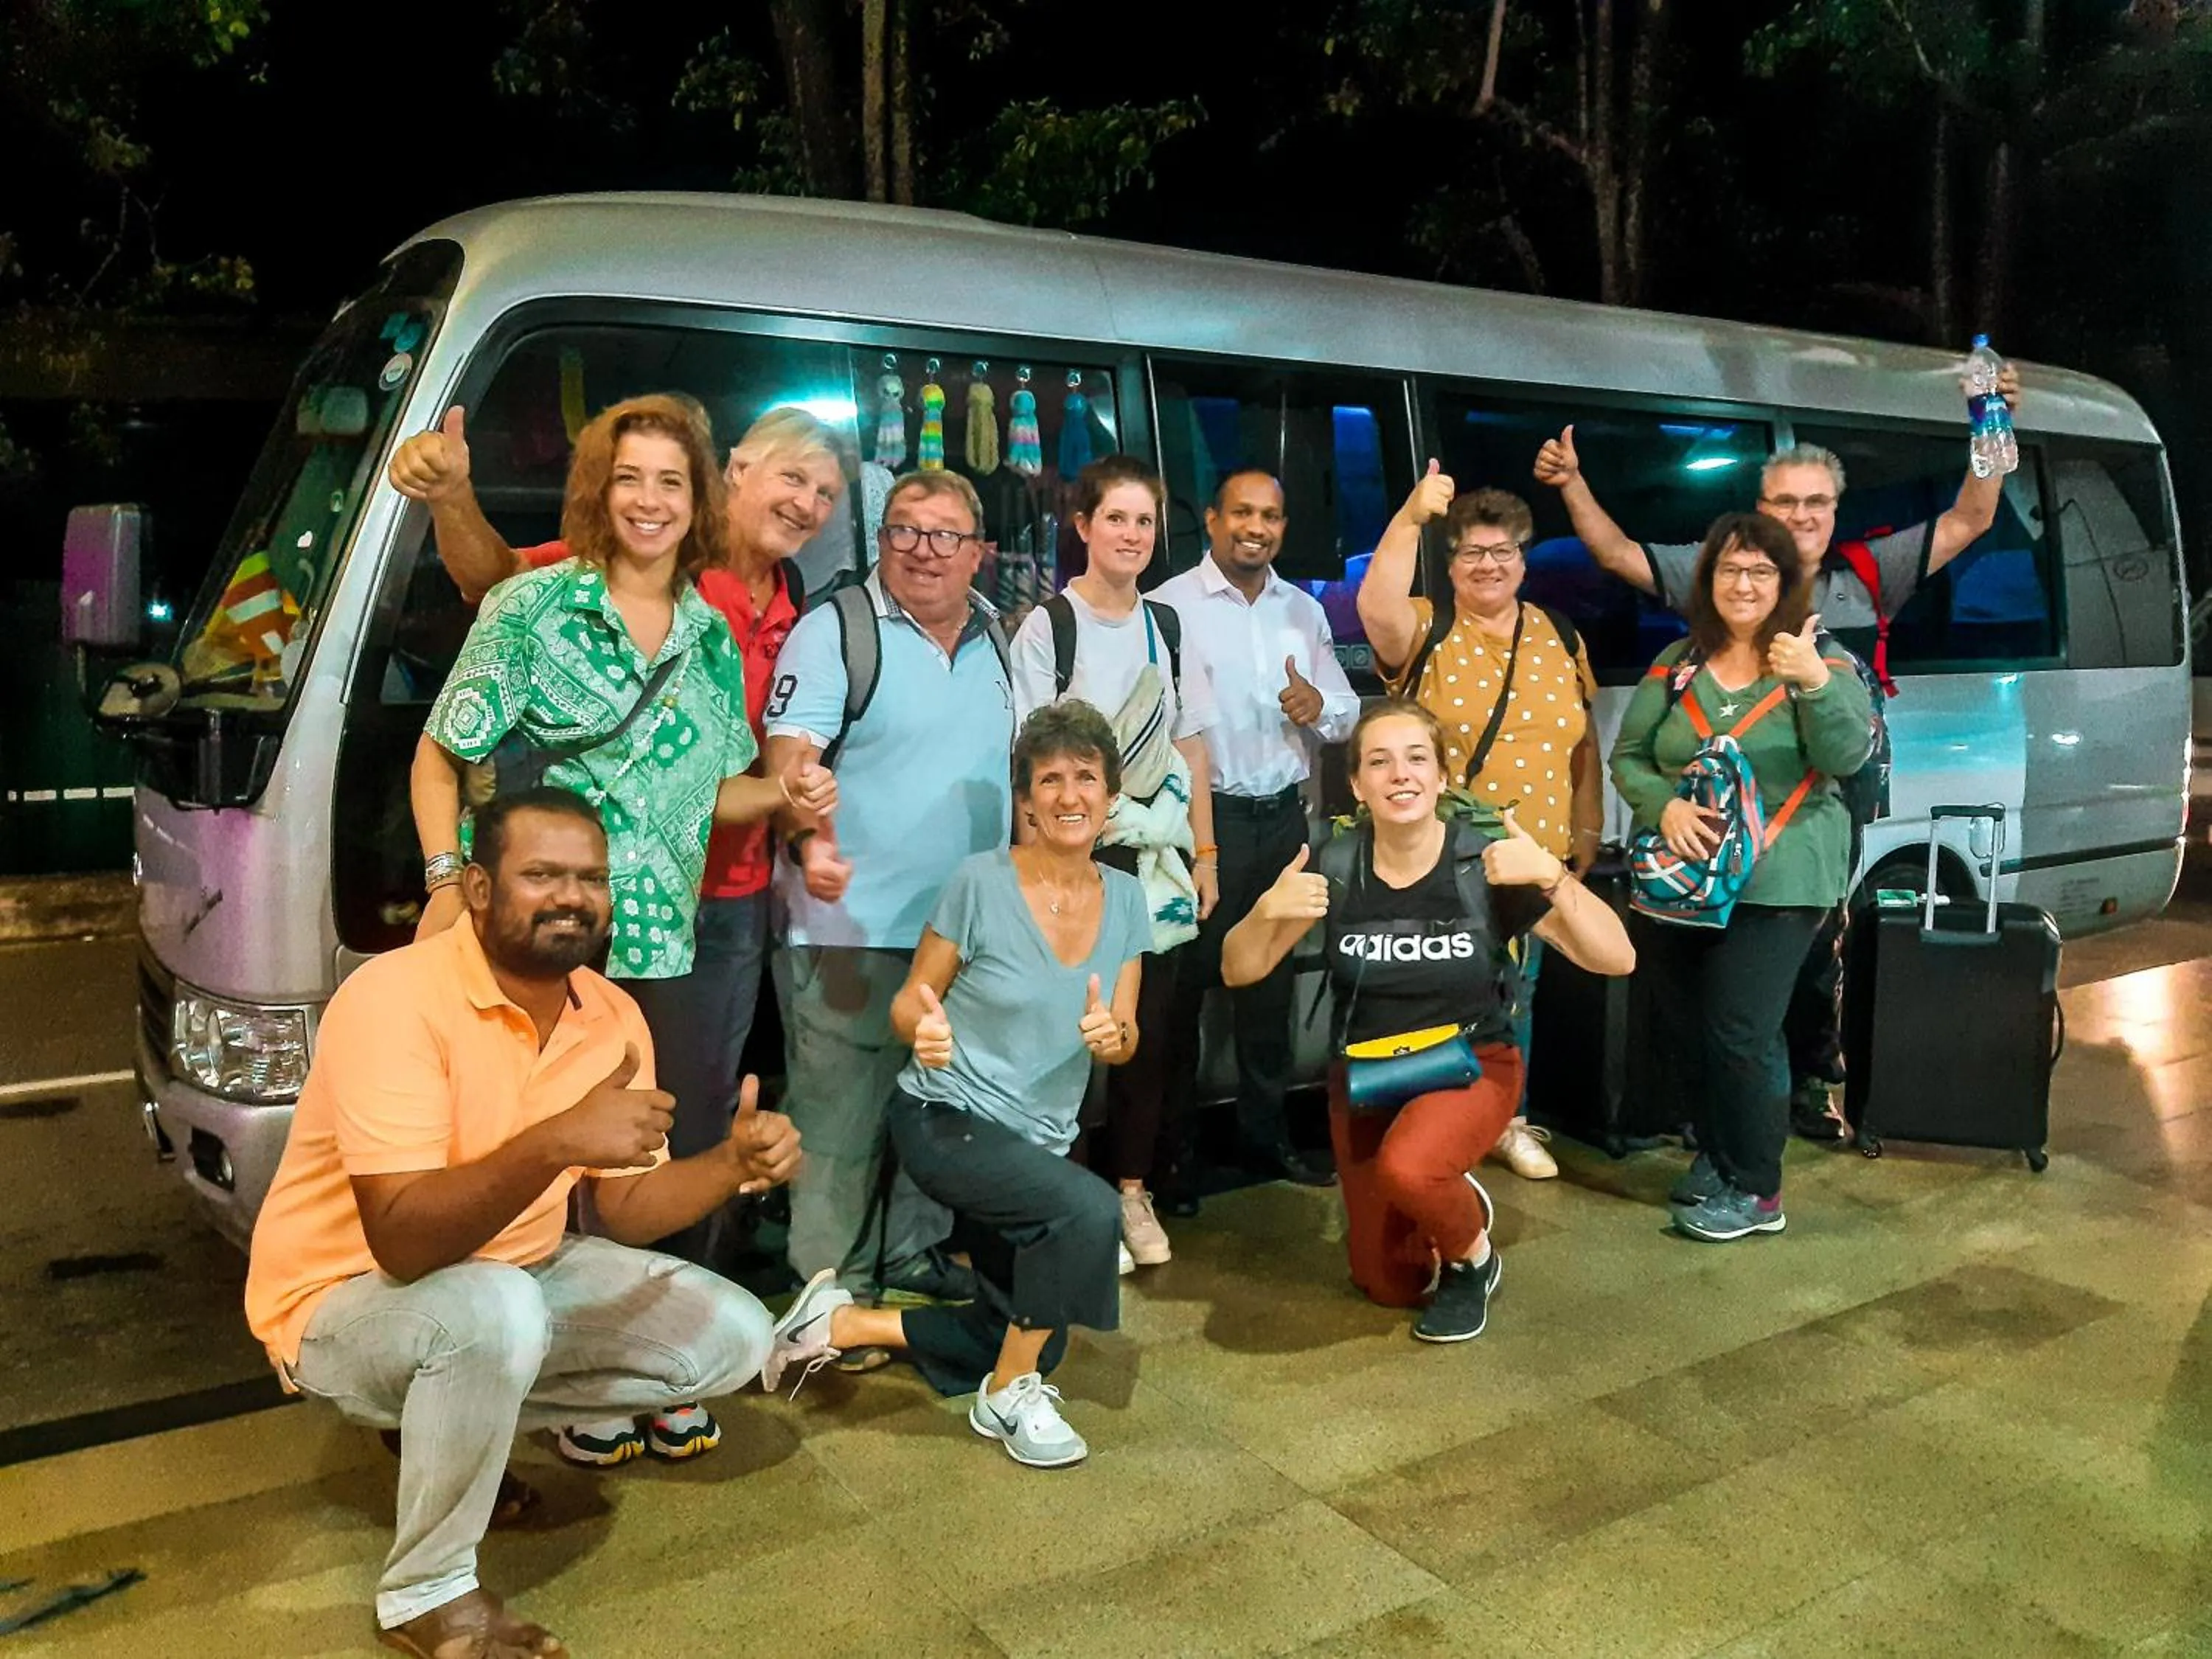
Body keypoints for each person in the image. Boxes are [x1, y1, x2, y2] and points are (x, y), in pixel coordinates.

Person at [244, 790, 815, 1659]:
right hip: (342, 1305)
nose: (571, 896)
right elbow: (401, 1241)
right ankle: (427, 1593)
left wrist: (730, 1166)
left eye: (591, 877)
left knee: (731, 1340)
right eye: (540, 874)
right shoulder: (393, 999)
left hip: (509, 1278)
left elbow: (626, 1209)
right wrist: (554, 1141)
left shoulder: (610, 1016)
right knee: (495, 1312)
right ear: (478, 889)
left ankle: (443, 1421)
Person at [409, 393, 832, 1467]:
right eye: (630, 478)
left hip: (664, 946)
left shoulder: (703, 635)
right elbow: (441, 753)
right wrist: (447, 875)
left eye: (669, 482)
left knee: (660, 1153)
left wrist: (790, 795)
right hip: (546, 939)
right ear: (599, 490)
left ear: (700, 504)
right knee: (530, 1157)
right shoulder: (535, 605)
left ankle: (641, 1365)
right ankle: (547, 1381)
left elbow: (710, 795)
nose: (649, 500)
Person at [1534, 365, 2020, 1141]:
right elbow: (1621, 554)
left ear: (1835, 510)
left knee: (1812, 949)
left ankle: (1799, 1089)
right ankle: (1732, 1100)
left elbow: (1971, 516)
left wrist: (1990, 427)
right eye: (1784, 502)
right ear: (1760, 511)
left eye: (1815, 502)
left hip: (1829, 793)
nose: (1799, 517)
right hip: (1731, 796)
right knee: (1725, 957)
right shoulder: (1725, 569)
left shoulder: (1866, 573)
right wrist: (1573, 486)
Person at [764, 703, 1147, 1467]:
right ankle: (1004, 1399)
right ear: (1028, 802)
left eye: (1086, 779)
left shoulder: (1128, 897)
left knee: (1039, 1334)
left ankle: (838, 1328)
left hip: (1037, 1142)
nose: (1070, 796)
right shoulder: (981, 881)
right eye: (1050, 781)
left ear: (1111, 796)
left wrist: (1115, 1038)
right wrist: (924, 1029)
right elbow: (913, 999)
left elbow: (1125, 1035)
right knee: (1090, 1213)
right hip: (946, 1117)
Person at [1217, 700, 1633, 1340]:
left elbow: (1617, 958)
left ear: (1443, 777)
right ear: (1357, 784)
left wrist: (1552, 876)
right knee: (1389, 1285)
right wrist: (1266, 912)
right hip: (1365, 1079)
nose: (1400, 775)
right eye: (1379, 763)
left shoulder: (1483, 863)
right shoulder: (1334, 862)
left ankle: (1474, 1260)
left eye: (1417, 759)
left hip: (1471, 1064)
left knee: (1410, 1167)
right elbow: (1238, 969)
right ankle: (1443, 1195)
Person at [762, 469, 1015, 1309]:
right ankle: (826, 1293)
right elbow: (790, 759)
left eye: (946, 535)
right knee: (839, 1127)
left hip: (961, 936)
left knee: (934, 1113)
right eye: (904, 531)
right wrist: (810, 839)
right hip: (851, 930)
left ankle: (909, 1256)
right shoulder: (836, 630)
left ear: (979, 553)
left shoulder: (995, 636)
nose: (922, 551)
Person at [1609, 513, 1873, 1242]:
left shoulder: (1820, 661)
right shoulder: (1677, 663)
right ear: (1709, 581)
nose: (1744, 584)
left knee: (1741, 1029)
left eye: (1761, 571)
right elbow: (1629, 756)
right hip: (1681, 880)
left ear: (1787, 584)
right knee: (1691, 1030)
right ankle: (1720, 1158)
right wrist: (1661, 808)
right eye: (1730, 570)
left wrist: (1813, 683)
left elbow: (1848, 756)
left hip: (1779, 881)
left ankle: (1758, 1189)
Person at [1357, 465, 1603, 1183]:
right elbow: (1376, 607)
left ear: (1524, 560)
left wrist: (1586, 833)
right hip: (1447, 860)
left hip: (1536, 860)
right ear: (1451, 562)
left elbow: (1581, 741)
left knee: (1514, 998)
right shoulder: (1429, 628)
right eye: (1471, 553)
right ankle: (1430, 1132)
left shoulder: (1560, 634)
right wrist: (1409, 517)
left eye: (1503, 552)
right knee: (1437, 998)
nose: (1488, 565)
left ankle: (1507, 1120)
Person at [1009, 454, 1217, 1267]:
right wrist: (1034, 872)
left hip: (1151, 865)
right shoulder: (1048, 628)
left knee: (1145, 1036)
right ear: (1084, 526)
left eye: (1144, 521)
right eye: (1117, 519)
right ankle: (1064, 1199)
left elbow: (1189, 745)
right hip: (1066, 859)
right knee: (1062, 1034)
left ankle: (1132, 1194)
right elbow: (1025, 760)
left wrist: (1205, 851)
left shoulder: (1165, 626)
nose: (1132, 535)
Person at [1152, 468, 1360, 1191]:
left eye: (1271, 516)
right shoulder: (1167, 607)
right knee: (1178, 994)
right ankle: (1171, 1159)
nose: (1256, 527)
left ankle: (1264, 1144)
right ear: (1212, 521)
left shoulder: (1302, 609)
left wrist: (1320, 708)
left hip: (1281, 823)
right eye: (1242, 512)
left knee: (1268, 989)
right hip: (1197, 825)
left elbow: (1345, 709)